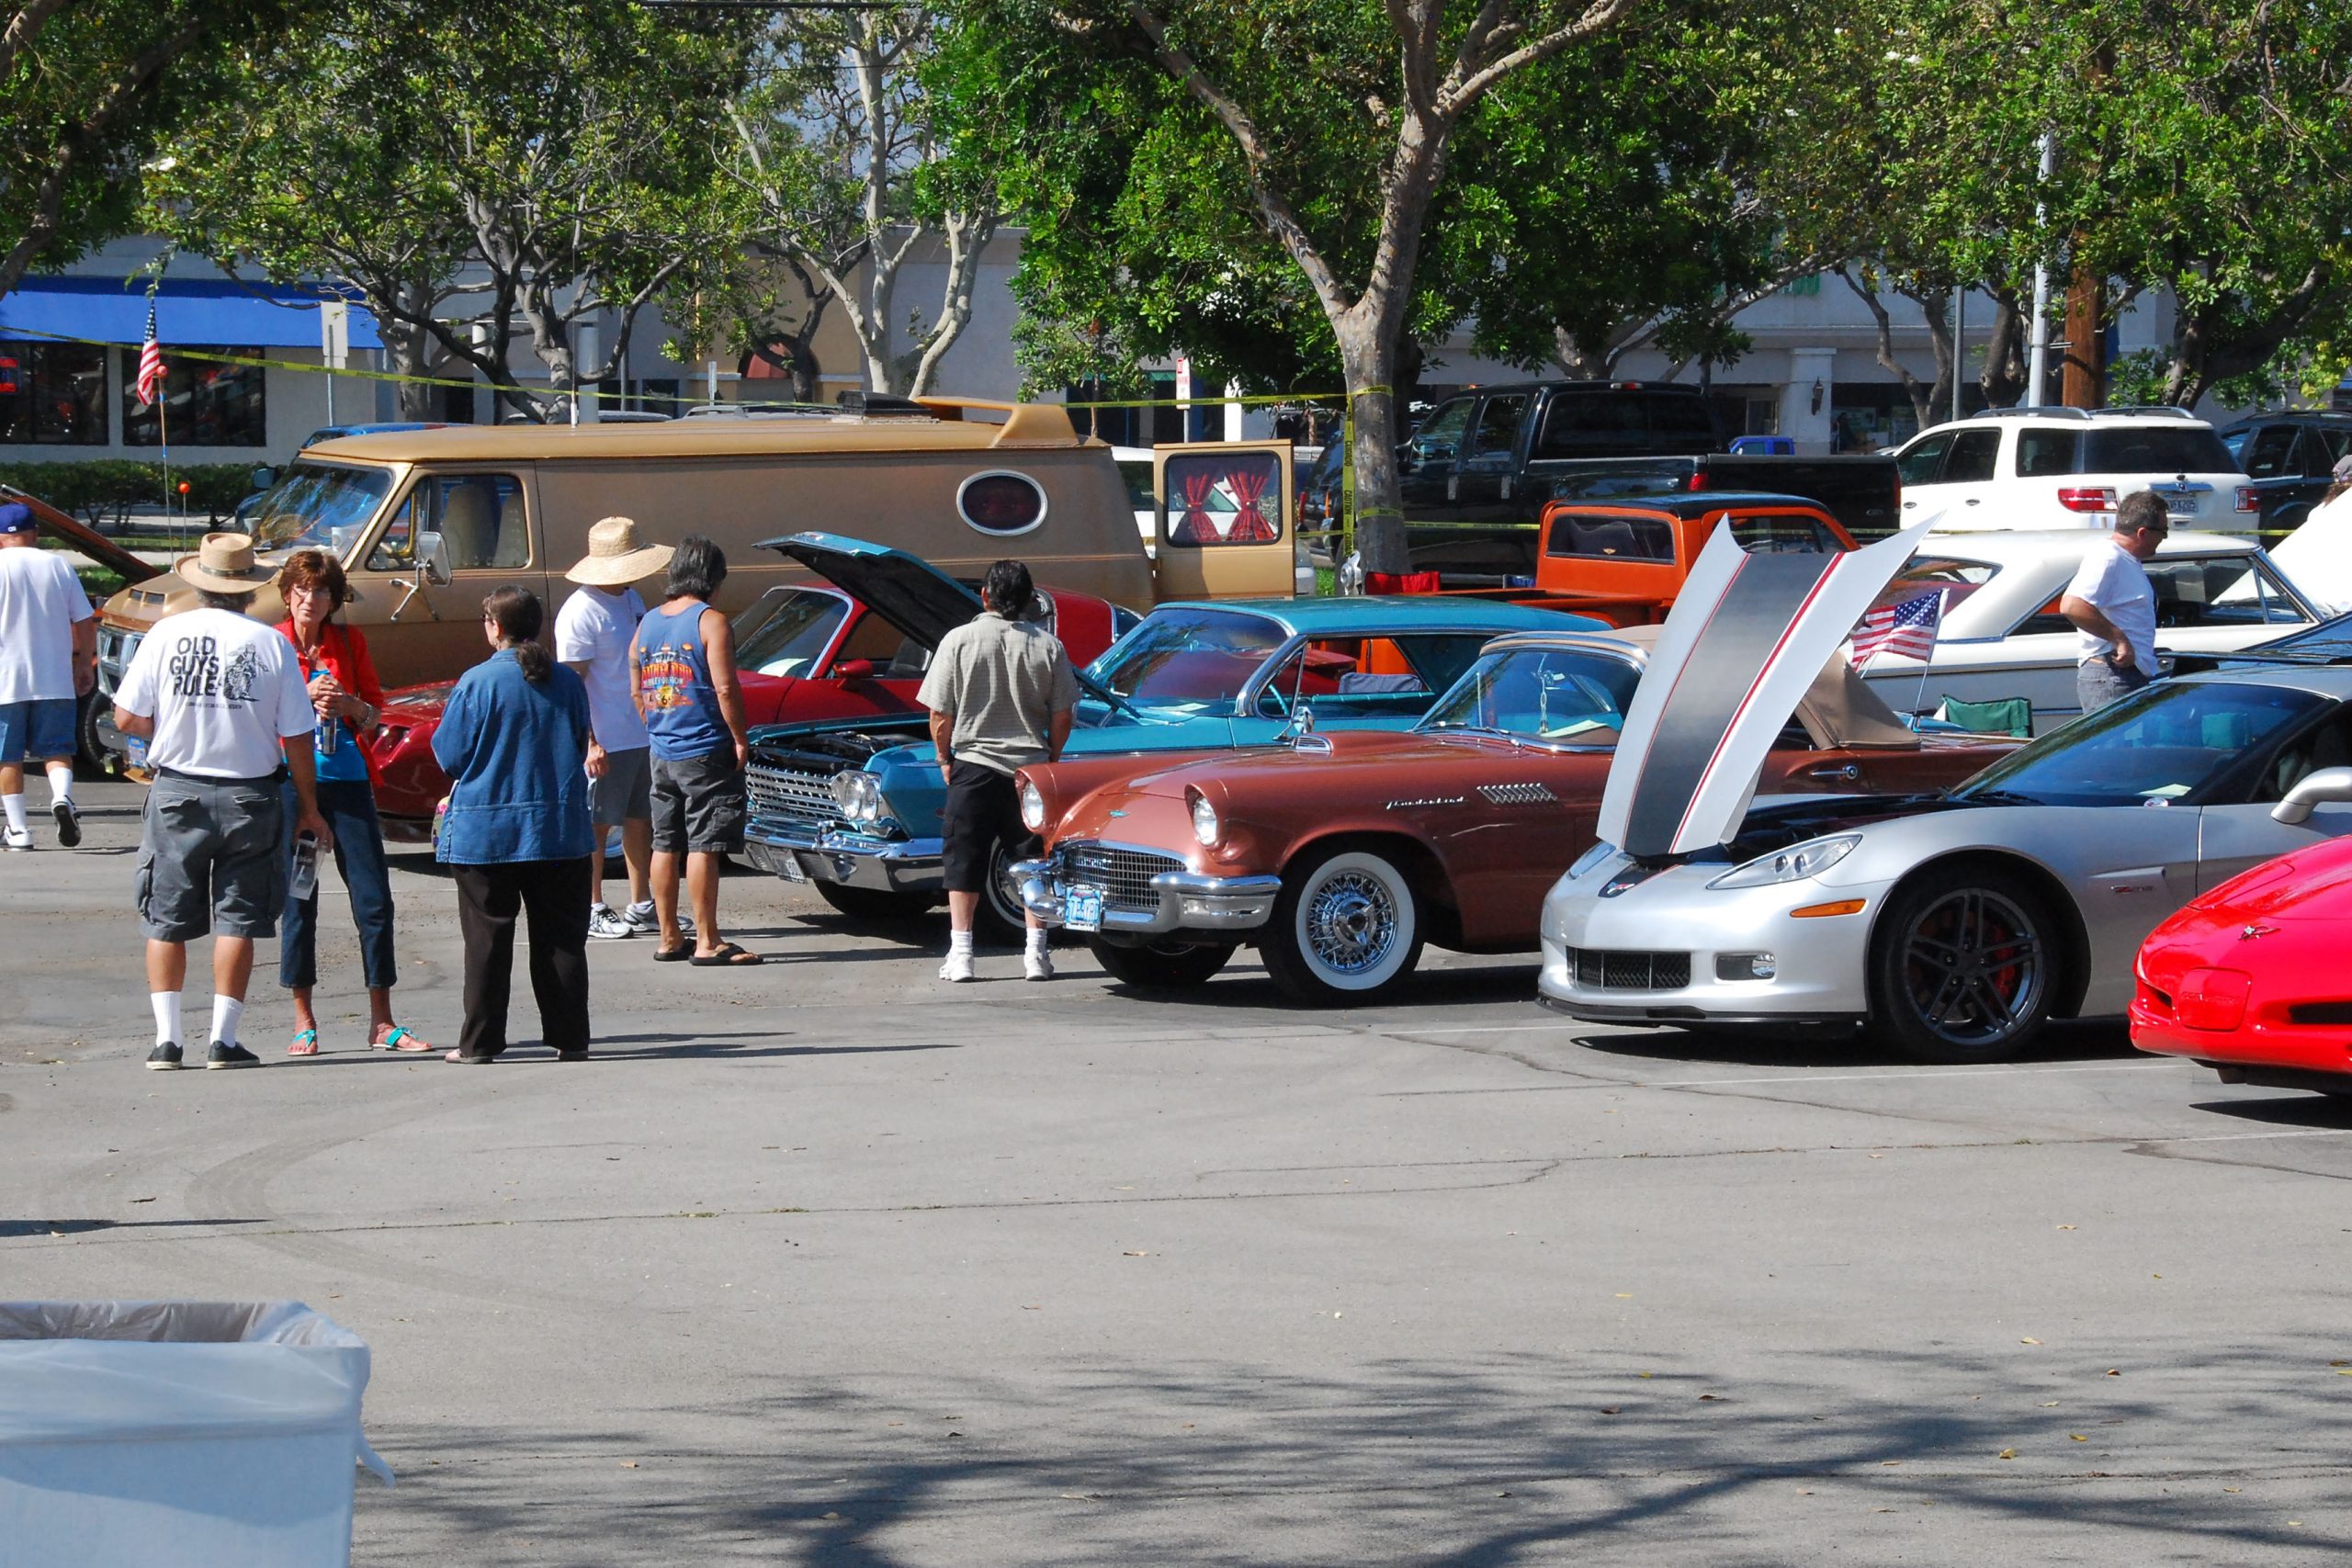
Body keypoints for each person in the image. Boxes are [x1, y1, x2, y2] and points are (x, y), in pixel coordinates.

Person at [111, 534, 329, 1070]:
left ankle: (167, 1040)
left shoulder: (166, 634)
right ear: (250, 589)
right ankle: (222, 1039)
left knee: (166, 916)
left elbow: (125, 718)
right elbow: (297, 735)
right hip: (250, 793)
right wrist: (309, 806)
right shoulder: (271, 643)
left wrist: (167, 729)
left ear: (199, 582)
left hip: (177, 788)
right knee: (239, 917)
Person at [274, 548, 430, 1055]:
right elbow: (261, 716)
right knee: (300, 899)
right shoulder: (272, 644)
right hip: (295, 785)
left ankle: (382, 1021)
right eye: (302, 589)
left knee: (373, 898)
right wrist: (304, 697)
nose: (311, 600)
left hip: (348, 781)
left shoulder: (348, 640)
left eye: (321, 591)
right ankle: (304, 1018)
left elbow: (374, 714)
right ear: (286, 592)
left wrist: (348, 704)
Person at [432, 587, 594, 1064]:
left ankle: (480, 1043)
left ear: (495, 627)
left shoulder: (478, 682)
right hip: (558, 828)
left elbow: (450, 755)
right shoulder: (566, 682)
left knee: (487, 942)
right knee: (561, 939)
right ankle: (571, 1038)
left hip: (488, 832)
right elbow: (580, 743)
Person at [918, 558, 1079, 983]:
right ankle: (1036, 956)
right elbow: (1064, 712)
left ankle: (962, 954)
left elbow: (939, 713)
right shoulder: (1049, 645)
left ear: (984, 595)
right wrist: (1053, 756)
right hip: (1031, 770)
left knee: (963, 860)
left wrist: (944, 757)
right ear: (1028, 600)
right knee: (1032, 863)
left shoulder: (958, 640)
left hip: (973, 764)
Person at [630, 535, 758, 966]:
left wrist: (651, 718)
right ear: (711, 578)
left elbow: (634, 674)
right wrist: (740, 737)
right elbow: (725, 687)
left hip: (662, 749)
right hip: (705, 746)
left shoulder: (647, 621)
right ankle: (707, 941)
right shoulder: (710, 621)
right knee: (704, 843)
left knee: (665, 842)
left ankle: (669, 937)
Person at [555, 515, 677, 941]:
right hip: (605, 737)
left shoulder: (631, 598)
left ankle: (641, 903)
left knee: (640, 818)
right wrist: (588, 742)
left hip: (642, 732)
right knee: (596, 824)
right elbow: (570, 685)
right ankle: (591, 905)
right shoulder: (580, 611)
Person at [0, 501, 96, 850]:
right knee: (56, 749)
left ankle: (19, 830)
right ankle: (62, 797)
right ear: (35, 534)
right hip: (53, 677)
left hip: (5, 680)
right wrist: (84, 662)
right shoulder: (57, 565)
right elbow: (84, 619)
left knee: (7, 757)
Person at [2062, 490, 2168, 716]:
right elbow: (2072, 605)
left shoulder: (2124, 559)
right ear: (2142, 533)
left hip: (2125, 674)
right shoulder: (2109, 558)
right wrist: (2119, 639)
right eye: (2163, 532)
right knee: (2110, 750)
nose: (2164, 539)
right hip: (2111, 676)